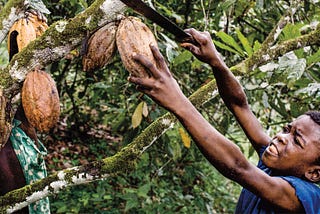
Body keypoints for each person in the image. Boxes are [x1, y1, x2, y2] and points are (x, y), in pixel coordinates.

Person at [128, 28, 320, 213]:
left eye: (296, 141)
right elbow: (239, 105)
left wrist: (177, 101)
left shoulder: (305, 197)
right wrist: (216, 61)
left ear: (314, 173)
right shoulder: (275, 162)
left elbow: (238, 168)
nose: (281, 137)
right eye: (287, 129)